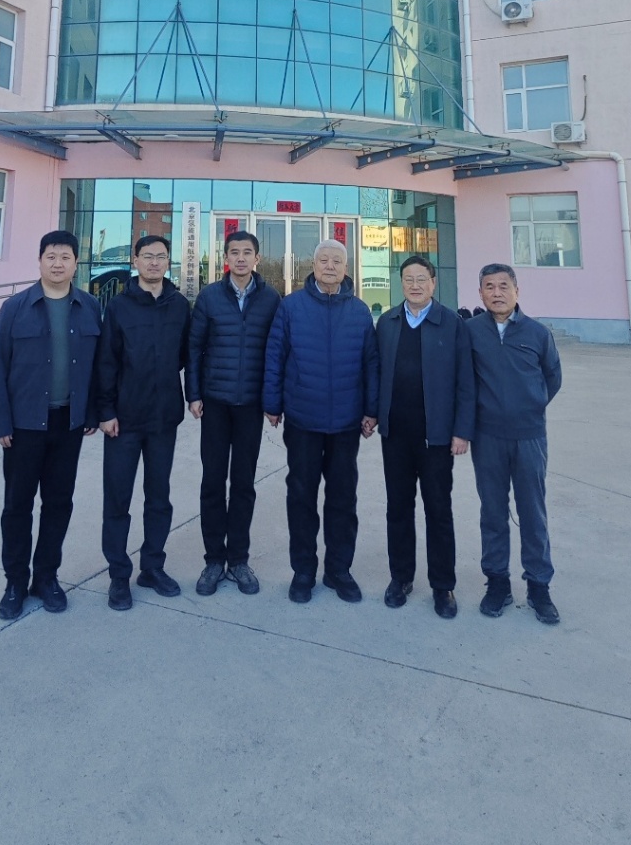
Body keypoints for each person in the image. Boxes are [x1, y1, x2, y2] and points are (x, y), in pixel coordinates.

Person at [0, 230, 102, 620]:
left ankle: (46, 578)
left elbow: (98, 366)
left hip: (68, 425)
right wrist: (0, 421)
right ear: (39, 261)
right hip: (23, 427)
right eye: (51, 256)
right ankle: (15, 583)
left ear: (75, 263)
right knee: (17, 505)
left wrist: (91, 412)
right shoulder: (15, 307)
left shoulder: (89, 307)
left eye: (65, 257)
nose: (57, 263)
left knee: (58, 503)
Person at [263, 240, 379, 604]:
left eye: (337, 261)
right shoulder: (291, 306)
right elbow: (275, 355)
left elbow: (371, 364)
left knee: (343, 498)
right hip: (303, 419)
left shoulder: (359, 311)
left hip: (346, 422)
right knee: (301, 496)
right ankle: (303, 570)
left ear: (346, 268)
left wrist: (371, 409)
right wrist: (272, 403)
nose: (330, 266)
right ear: (312, 266)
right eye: (324, 260)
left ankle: (338, 570)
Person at [376, 255, 474, 619]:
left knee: (438, 510)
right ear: (401, 283)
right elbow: (375, 371)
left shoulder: (452, 323)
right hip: (396, 436)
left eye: (422, 279)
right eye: (408, 279)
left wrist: (461, 431)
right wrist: (373, 414)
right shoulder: (387, 322)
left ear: (433, 283)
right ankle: (400, 578)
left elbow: (466, 381)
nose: (415, 285)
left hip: (437, 438)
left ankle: (442, 585)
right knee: (398, 508)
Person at [96, 235, 190, 611]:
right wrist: (105, 411)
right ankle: (119, 575)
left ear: (168, 261)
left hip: (164, 418)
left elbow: (185, 355)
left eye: (161, 256)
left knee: (159, 498)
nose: (154, 262)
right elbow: (106, 361)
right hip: (124, 421)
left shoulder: (179, 305)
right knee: (118, 499)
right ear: (135, 260)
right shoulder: (119, 306)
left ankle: (152, 567)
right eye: (147, 256)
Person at [467, 263, 562, 624]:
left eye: (503, 286)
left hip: (529, 437)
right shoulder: (471, 331)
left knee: (532, 513)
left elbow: (552, 377)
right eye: (489, 287)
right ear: (480, 293)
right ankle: (497, 583)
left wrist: (530, 406)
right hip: (487, 436)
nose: (497, 293)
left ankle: (539, 585)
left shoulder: (537, 333)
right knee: (492, 512)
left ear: (517, 291)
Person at [187, 230, 280, 595]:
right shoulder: (210, 296)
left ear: (257, 258)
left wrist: (273, 401)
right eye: (234, 252)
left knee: (243, 484)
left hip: (250, 405)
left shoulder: (270, 299)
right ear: (225, 258)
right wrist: (194, 394)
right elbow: (194, 348)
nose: (241, 258)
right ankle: (213, 560)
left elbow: (276, 352)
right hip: (215, 403)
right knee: (212, 482)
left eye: (247, 252)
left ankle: (239, 560)